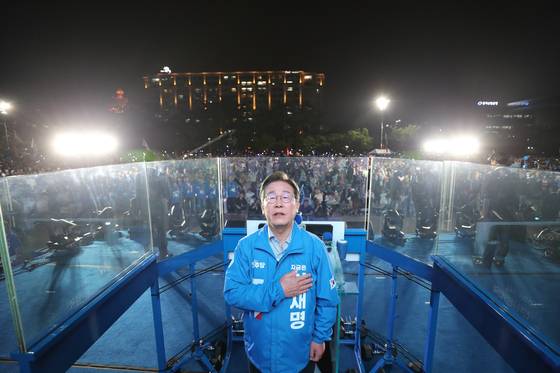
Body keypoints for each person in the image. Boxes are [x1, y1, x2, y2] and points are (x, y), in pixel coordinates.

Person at [224, 171, 339, 373]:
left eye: (286, 197)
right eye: (271, 197)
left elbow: (327, 300)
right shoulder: (246, 247)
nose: (278, 203)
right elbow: (232, 293)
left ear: (296, 206)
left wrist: (320, 337)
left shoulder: (314, 248)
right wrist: (279, 290)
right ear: (262, 207)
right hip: (259, 354)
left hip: (299, 354)